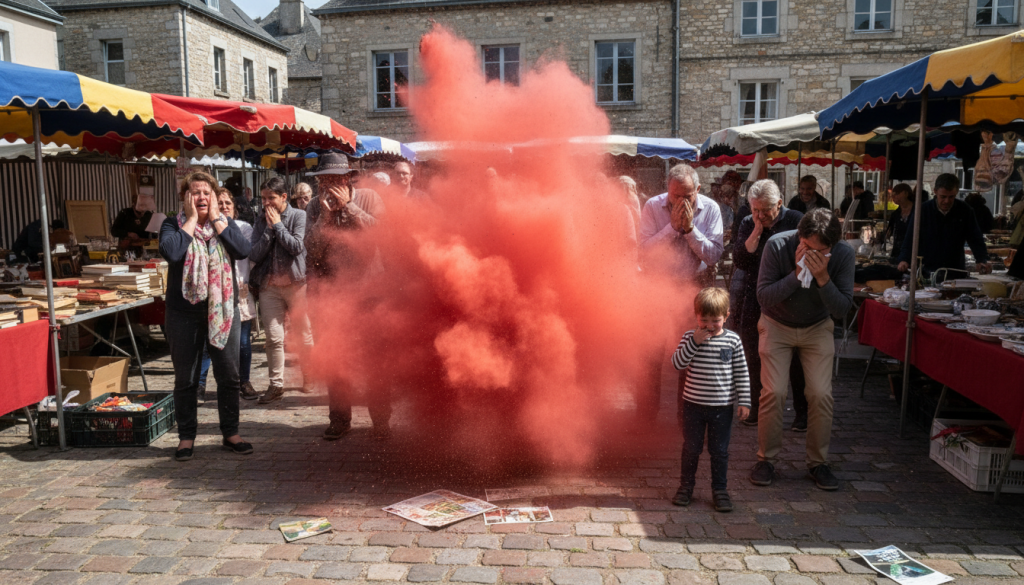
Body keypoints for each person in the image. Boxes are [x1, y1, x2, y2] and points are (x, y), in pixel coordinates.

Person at [751, 208, 855, 491]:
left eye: (819, 251)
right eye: (806, 246)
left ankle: (818, 463)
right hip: (776, 323)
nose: (811, 254)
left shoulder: (843, 255)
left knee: (820, 394)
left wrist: (822, 278)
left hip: (817, 326)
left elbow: (842, 309)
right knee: (774, 391)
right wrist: (797, 275)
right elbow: (763, 296)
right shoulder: (778, 245)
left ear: (832, 246)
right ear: (799, 235)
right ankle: (766, 460)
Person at [158, 171, 253, 462]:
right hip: (183, 313)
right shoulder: (171, 226)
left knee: (229, 375)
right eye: (194, 192)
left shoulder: (226, 224)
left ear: (214, 196)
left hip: (223, 310)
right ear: (185, 198)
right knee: (185, 379)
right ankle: (186, 437)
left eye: (205, 192)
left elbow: (241, 250)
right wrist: (189, 220)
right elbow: (172, 254)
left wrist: (216, 220)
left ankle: (231, 433)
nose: (201, 197)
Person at [304, 153, 391, 440]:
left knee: (375, 362)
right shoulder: (314, 207)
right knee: (336, 359)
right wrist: (325, 219)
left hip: (369, 294)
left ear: (347, 178)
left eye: (335, 179)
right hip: (332, 296)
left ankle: (381, 422)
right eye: (323, 180)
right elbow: (312, 253)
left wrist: (349, 207)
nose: (329, 185)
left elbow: (379, 235)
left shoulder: (368, 197)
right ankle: (340, 420)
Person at [637, 163, 724, 422]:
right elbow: (645, 251)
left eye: (688, 196)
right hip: (658, 287)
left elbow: (713, 255)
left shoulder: (711, 209)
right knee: (651, 352)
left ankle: (685, 415)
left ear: (698, 189)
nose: (681, 201)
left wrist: (689, 230)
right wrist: (672, 228)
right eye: (676, 195)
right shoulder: (653, 206)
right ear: (668, 190)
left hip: (693, 288)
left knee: (690, 353)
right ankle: (646, 413)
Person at [731, 179, 804, 428]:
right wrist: (755, 232)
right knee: (752, 351)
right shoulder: (748, 222)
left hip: (789, 293)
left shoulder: (795, 219)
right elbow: (740, 258)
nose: (760, 215)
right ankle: (754, 406)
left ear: (779, 204)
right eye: (755, 210)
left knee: (795, 355)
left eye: (765, 210)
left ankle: (801, 413)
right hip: (755, 292)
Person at [670, 287, 750, 513]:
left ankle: (720, 490)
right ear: (696, 316)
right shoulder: (689, 337)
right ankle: (685, 488)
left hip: (722, 408)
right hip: (693, 406)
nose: (709, 325)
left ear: (726, 316)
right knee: (691, 448)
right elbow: (677, 364)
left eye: (715, 320)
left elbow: (741, 372)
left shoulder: (732, 341)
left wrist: (744, 400)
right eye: (703, 319)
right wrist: (694, 342)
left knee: (719, 450)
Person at [249, 176, 314, 404]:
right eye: (263, 198)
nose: (266, 203)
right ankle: (276, 385)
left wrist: (277, 225)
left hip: (296, 285)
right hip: (269, 286)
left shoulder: (299, 215)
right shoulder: (260, 220)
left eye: (271, 198)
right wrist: (268, 230)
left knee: (303, 334)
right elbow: (254, 254)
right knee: (273, 338)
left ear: (284, 197)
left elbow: (297, 246)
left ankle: (309, 376)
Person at [196, 189, 259, 402]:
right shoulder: (206, 228)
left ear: (234, 208)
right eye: (219, 203)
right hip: (213, 292)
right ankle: (200, 384)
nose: (223, 207)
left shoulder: (244, 228)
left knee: (242, 341)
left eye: (227, 203)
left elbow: (245, 255)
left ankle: (244, 381)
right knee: (207, 342)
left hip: (239, 288)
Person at [897, 173, 991, 280]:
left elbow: (975, 238)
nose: (947, 201)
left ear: (956, 193)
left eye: (951, 197)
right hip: (927, 270)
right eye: (943, 197)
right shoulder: (922, 210)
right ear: (935, 191)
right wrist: (904, 259)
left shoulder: (965, 211)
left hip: (955, 270)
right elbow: (910, 238)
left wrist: (982, 259)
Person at [884, 183, 915, 262]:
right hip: (897, 254)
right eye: (893, 195)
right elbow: (889, 233)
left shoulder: (918, 212)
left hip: (914, 253)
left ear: (906, 193)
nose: (894, 197)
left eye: (897, 194)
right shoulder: (895, 214)